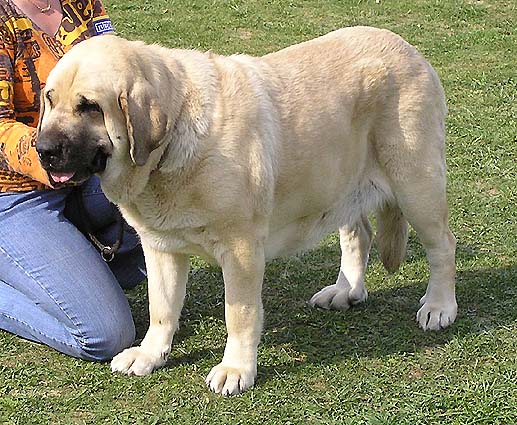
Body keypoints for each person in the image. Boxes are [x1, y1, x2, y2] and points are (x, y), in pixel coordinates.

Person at [0, 0, 146, 361]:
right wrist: (55, 158)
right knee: (105, 335)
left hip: (83, 170)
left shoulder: (81, 4)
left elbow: (118, 71)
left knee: (169, 226)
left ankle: (75, 257)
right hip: (14, 194)